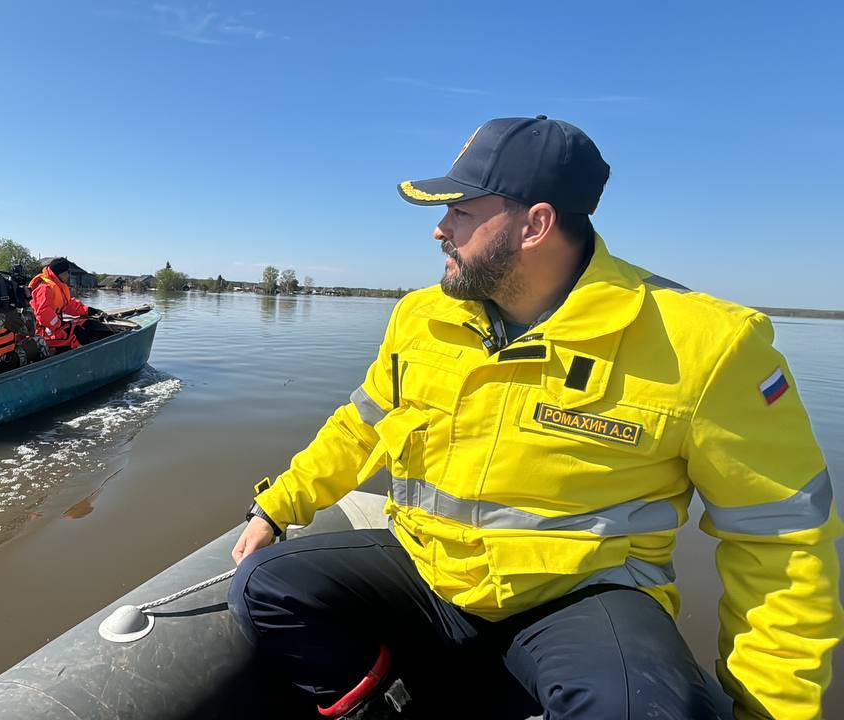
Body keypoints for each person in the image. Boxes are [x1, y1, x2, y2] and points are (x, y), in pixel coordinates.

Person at [227, 117, 841, 720]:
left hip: (578, 599)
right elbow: (360, 426)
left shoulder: (709, 344)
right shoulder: (421, 316)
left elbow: (781, 544)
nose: (440, 230)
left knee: (641, 708)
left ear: (536, 224)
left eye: (461, 211)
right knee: (265, 587)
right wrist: (277, 507)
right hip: (429, 572)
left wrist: (770, 711)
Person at [28, 257, 107, 353]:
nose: (69, 275)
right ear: (61, 273)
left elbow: (69, 305)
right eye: (67, 272)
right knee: (77, 333)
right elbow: (43, 313)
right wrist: (60, 324)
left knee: (88, 324)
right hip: (42, 331)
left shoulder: (58, 286)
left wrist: (91, 310)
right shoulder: (44, 287)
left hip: (54, 326)